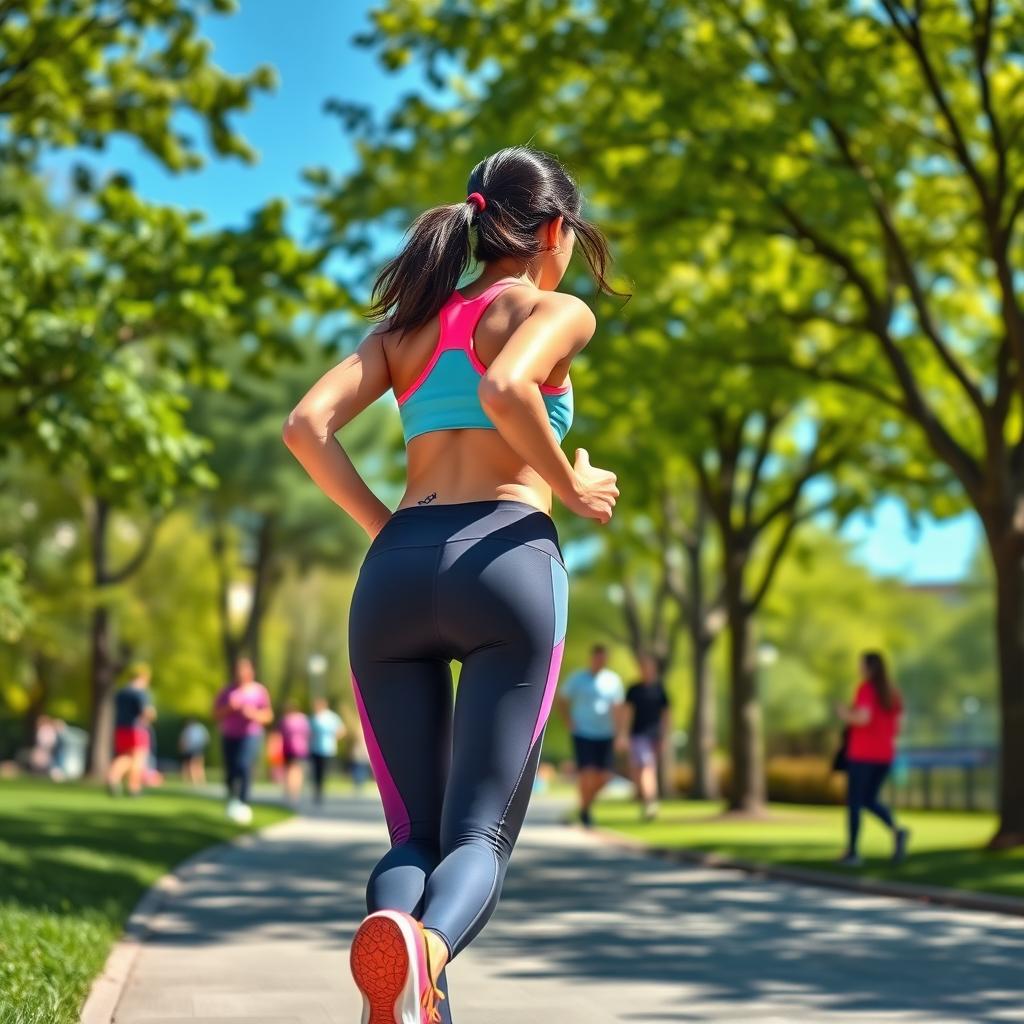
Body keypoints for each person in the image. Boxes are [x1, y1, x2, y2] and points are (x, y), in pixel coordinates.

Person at [284, 146, 618, 1024]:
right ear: (553, 230)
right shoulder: (555, 309)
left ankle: (400, 969)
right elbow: (508, 387)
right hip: (508, 563)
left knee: (414, 839)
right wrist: (572, 484)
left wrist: (385, 528)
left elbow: (306, 425)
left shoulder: (407, 329)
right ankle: (426, 955)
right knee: (479, 837)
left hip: (394, 573)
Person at [836, 651, 910, 867]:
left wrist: (845, 714)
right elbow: (900, 726)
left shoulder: (866, 689)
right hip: (884, 755)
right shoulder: (893, 693)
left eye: (861, 665)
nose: (858, 669)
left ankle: (853, 852)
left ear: (869, 668)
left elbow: (863, 718)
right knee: (869, 800)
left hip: (862, 754)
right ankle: (897, 831)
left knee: (855, 803)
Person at [558, 643, 626, 827]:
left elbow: (619, 709)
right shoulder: (578, 678)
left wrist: (621, 734)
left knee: (605, 777)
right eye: (598, 658)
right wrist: (568, 720)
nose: (600, 662)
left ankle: (584, 806)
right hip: (583, 732)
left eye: (603, 659)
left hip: (606, 733)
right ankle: (586, 812)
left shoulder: (613, 681)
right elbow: (562, 699)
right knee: (587, 773)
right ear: (592, 658)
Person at [214, 656, 274, 824]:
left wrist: (253, 714)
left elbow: (268, 716)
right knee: (231, 770)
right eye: (238, 670)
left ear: (251, 672)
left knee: (244, 765)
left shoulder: (259, 691)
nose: (241, 673)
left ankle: (244, 802)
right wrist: (229, 708)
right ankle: (232, 799)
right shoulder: (227, 691)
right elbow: (215, 714)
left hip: (250, 734)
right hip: (229, 734)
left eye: (245, 670)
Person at [624, 653, 671, 821]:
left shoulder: (659, 690)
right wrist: (623, 735)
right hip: (637, 734)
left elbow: (666, 715)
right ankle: (648, 801)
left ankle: (650, 802)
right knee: (639, 770)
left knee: (647, 768)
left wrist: (665, 736)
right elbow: (627, 713)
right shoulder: (634, 690)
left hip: (654, 735)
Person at [107, 664, 156, 796]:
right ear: (143, 677)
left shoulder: (121, 693)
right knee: (138, 758)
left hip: (121, 729)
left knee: (126, 757)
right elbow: (146, 712)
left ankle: (113, 776)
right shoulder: (140, 693)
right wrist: (152, 716)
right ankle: (133, 787)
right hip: (137, 729)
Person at [309, 697, 345, 805]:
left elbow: (342, 730)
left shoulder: (331, 717)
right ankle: (317, 790)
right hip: (315, 748)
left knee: (323, 770)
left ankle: (321, 790)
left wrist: (334, 737)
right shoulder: (314, 717)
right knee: (316, 771)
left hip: (327, 749)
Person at [279, 700, 311, 806]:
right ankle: (295, 792)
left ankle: (289, 790)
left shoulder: (285, 720)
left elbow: (280, 734)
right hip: (301, 748)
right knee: (297, 770)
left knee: (289, 770)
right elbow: (308, 733)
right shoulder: (303, 719)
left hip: (288, 748)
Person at [179, 718, 210, 785]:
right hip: (197, 748)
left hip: (193, 749)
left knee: (193, 765)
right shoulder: (199, 728)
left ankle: (195, 780)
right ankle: (198, 780)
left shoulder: (190, 729)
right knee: (196, 764)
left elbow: (184, 740)